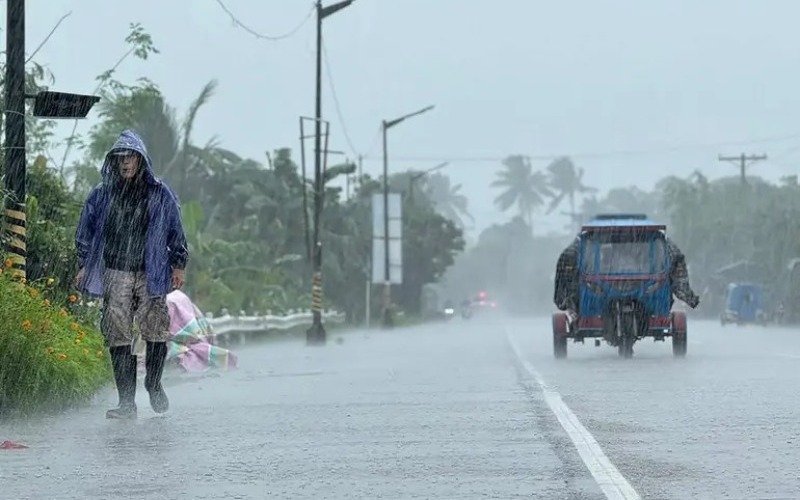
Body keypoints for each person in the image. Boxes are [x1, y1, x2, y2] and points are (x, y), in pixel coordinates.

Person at [75, 129, 189, 419]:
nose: (125, 162)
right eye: (120, 157)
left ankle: (153, 383)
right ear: (113, 161)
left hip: (150, 270)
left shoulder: (158, 193)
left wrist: (178, 264)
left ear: (140, 160)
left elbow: (176, 229)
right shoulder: (102, 195)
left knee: (156, 328)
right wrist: (83, 264)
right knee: (117, 332)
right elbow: (86, 231)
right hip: (116, 270)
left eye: (130, 157)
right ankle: (126, 402)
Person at [553, 235, 700, 316]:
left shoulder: (654, 256)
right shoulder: (585, 257)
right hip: (611, 286)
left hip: (636, 287)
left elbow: (677, 274)